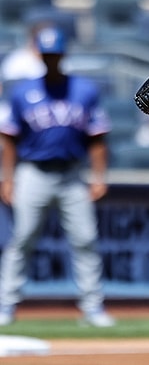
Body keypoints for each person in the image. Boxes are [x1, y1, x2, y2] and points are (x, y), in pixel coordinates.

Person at [0, 26, 114, 327]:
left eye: (56, 54)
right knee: (22, 239)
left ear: (63, 54)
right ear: (39, 55)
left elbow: (97, 138)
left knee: (85, 239)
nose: (51, 60)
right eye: (46, 55)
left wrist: (99, 176)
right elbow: (9, 138)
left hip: (72, 173)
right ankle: (6, 306)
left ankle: (92, 308)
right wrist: (7, 178)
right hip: (32, 172)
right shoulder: (23, 91)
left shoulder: (85, 90)